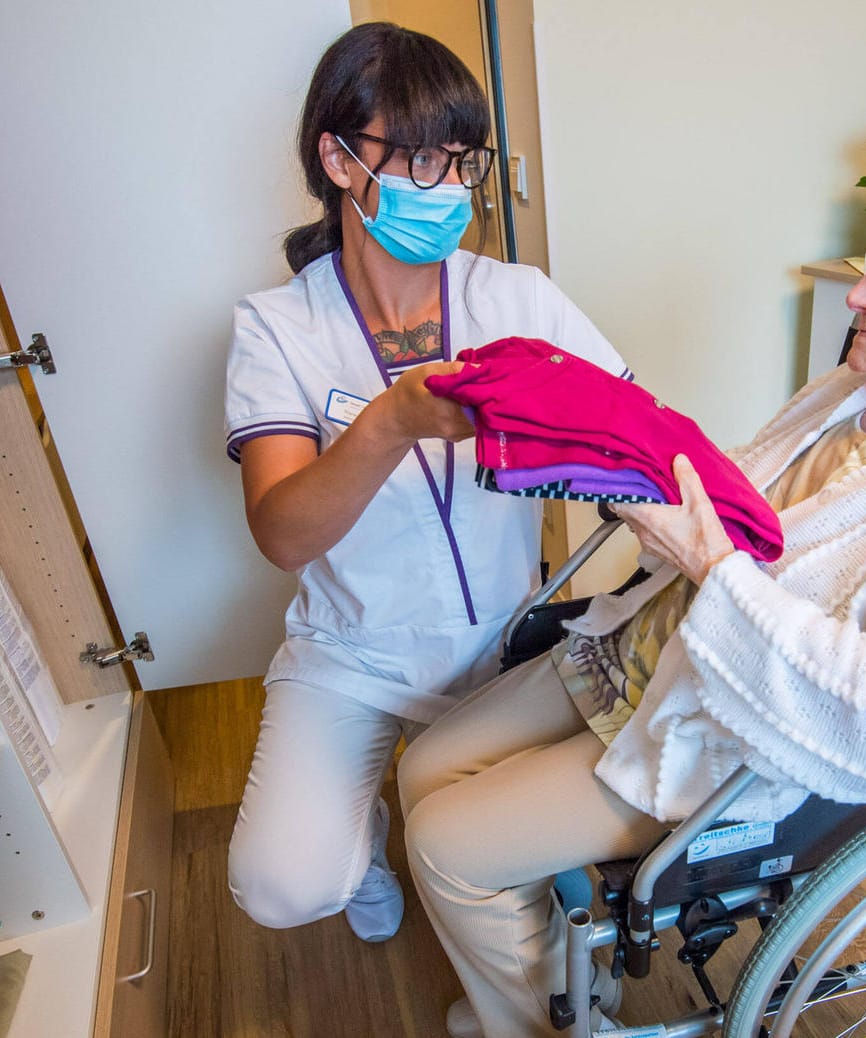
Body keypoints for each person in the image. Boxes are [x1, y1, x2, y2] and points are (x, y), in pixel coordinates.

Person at [397, 146, 866, 1036]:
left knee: (445, 845)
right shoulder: (859, 388)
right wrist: (621, 464)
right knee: (421, 766)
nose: (858, 293)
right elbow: (743, 494)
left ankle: (533, 1023)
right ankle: (566, 988)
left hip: (732, 738)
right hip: (649, 653)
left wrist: (711, 569)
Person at [222, 22, 630, 944]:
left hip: (503, 645)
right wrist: (389, 424)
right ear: (337, 158)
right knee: (284, 889)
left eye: (460, 163)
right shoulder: (277, 329)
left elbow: (630, 431)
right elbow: (283, 534)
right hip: (354, 657)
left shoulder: (516, 298)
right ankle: (357, 843)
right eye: (416, 161)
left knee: (525, 853)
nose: (446, 190)